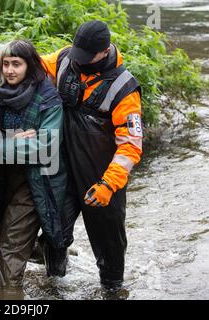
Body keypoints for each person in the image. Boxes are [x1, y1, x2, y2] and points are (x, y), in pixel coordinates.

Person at [42, 20, 143, 297]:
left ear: (104, 52)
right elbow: (32, 65)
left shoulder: (124, 88)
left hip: (102, 178)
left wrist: (108, 184)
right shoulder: (64, 59)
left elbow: (131, 146)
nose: (79, 61)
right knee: (54, 230)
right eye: (77, 53)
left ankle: (112, 289)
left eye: (86, 57)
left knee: (109, 244)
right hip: (64, 170)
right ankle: (54, 284)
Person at [0, 40, 67, 300]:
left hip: (37, 180)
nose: (9, 70)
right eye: (5, 64)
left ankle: (8, 297)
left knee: (9, 249)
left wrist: (2, 144)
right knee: (1, 246)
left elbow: (45, 147)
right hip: (1, 180)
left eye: (16, 64)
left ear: (30, 66)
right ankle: (47, 261)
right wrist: (14, 140)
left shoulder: (49, 98)